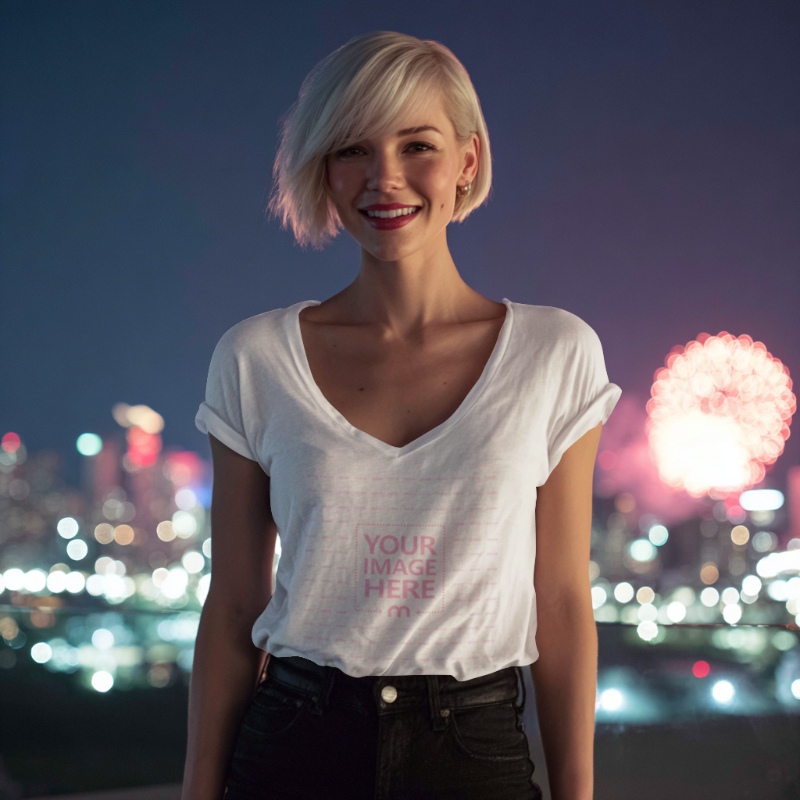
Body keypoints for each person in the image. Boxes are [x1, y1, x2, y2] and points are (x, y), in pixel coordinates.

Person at [182, 30, 621, 800]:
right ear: (323, 170)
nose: (384, 179)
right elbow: (234, 606)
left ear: (467, 163)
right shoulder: (255, 358)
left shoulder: (556, 353)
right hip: (291, 745)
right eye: (352, 149)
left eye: (417, 144)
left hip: (474, 749)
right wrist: (198, 790)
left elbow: (560, 599)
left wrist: (577, 794)